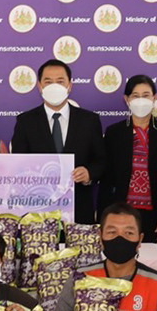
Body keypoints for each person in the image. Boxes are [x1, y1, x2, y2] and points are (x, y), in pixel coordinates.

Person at [9, 59, 108, 225]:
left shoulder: (89, 120)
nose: (54, 86)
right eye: (48, 82)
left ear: (70, 85)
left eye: (60, 81)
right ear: (39, 86)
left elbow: (101, 160)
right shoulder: (25, 121)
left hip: (79, 207)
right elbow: (18, 163)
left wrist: (89, 173)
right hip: (38, 209)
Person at [100, 75, 157, 237]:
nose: (141, 100)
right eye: (135, 96)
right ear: (127, 99)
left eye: (146, 95)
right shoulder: (115, 132)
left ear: (154, 98)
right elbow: (107, 177)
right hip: (123, 211)